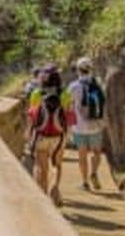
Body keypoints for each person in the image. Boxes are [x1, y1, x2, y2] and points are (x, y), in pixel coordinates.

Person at [27, 64, 69, 207]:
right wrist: (65, 137)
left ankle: (44, 203)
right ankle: (55, 188)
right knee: (57, 164)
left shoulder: (36, 94)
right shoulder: (65, 94)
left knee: (42, 168)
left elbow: (32, 117)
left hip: (41, 136)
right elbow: (69, 118)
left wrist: (28, 135)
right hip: (59, 136)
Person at [67, 57, 106, 191]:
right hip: (96, 126)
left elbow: (68, 107)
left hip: (79, 127)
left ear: (78, 70)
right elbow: (103, 104)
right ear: (91, 69)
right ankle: (94, 172)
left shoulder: (73, 86)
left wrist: (69, 126)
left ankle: (85, 183)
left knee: (82, 156)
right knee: (96, 153)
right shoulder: (98, 84)